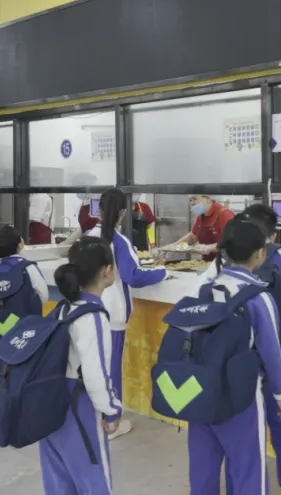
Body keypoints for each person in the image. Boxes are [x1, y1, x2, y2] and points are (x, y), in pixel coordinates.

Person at [197, 205, 281, 495]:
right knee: (280, 421)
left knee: (238, 432)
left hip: (231, 363)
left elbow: (196, 297)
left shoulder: (222, 262)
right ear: (270, 237)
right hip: (273, 358)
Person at [188, 218, 281, 495]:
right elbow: (271, 352)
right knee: (248, 470)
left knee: (202, 470)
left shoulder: (204, 289)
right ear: (259, 254)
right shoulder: (257, 297)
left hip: (200, 391)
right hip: (241, 397)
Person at [40, 236, 123, 494]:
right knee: (94, 480)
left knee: (58, 481)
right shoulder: (93, 316)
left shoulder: (63, 308)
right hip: (79, 408)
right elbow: (96, 375)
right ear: (105, 271)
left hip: (49, 403)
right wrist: (111, 411)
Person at [90, 188, 167, 440]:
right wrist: (163, 272)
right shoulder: (119, 242)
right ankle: (111, 422)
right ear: (123, 213)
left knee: (92, 366)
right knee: (111, 369)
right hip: (112, 314)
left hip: (89, 311)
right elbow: (133, 277)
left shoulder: (89, 237)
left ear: (99, 210)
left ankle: (94, 417)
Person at [0, 225, 50, 382]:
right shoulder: (28, 268)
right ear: (20, 243)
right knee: (21, 365)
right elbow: (43, 296)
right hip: (23, 328)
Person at [170, 195, 235, 259]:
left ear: (207, 198)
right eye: (190, 200)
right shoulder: (201, 215)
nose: (192, 203)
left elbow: (231, 241)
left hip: (225, 262)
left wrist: (208, 248)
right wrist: (173, 246)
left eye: (194, 199)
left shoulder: (224, 214)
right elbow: (192, 237)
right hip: (207, 262)